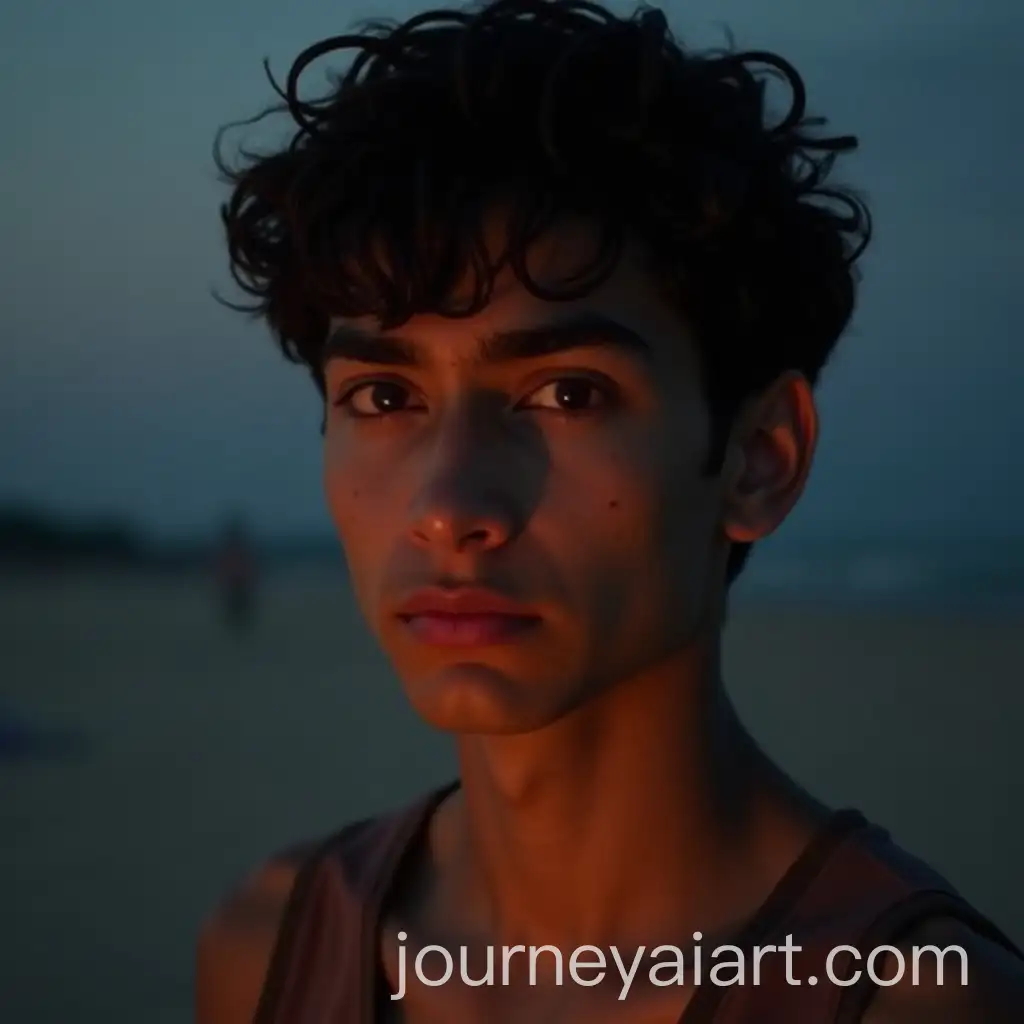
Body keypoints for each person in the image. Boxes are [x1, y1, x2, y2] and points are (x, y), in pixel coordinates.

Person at [198, 1, 1024, 1020]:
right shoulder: (273, 942)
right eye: (384, 397)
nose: (449, 506)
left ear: (759, 459)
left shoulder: (918, 1005)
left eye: (567, 393)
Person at [214, 515, 257, 631]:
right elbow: (223, 565)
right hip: (235, 582)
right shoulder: (232, 547)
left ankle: (240, 625)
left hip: (240, 582)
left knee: (241, 607)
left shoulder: (239, 547)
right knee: (235, 607)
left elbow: (248, 564)